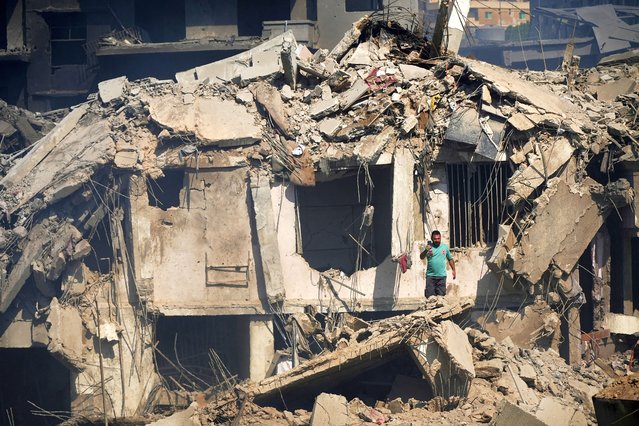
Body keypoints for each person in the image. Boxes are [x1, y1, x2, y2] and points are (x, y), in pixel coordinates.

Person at [420, 230, 456, 297]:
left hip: (441, 277)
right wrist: (426, 250)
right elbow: (421, 257)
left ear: (440, 238)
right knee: (430, 298)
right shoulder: (428, 247)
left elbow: (450, 259)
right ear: (432, 238)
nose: (437, 240)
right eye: (435, 239)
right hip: (430, 276)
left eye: (438, 238)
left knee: (441, 298)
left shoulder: (444, 247)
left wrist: (454, 270)